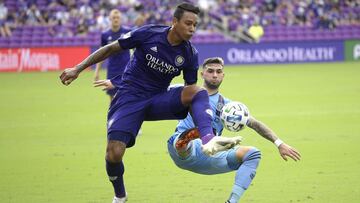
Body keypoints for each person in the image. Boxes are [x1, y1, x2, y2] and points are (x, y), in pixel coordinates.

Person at [59, 3, 240, 203]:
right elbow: (111, 48)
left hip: (158, 99)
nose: (192, 29)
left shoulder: (189, 54)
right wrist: (77, 68)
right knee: (114, 153)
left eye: (195, 25)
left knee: (198, 92)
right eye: (188, 23)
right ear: (174, 22)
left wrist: (199, 127)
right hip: (129, 97)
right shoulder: (148, 34)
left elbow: (191, 90)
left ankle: (209, 140)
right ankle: (120, 195)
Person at [166, 57, 301, 203]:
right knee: (188, 140)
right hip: (184, 149)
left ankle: (232, 201)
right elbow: (153, 96)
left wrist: (279, 143)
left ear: (223, 75)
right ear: (202, 74)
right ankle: (188, 140)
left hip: (209, 156)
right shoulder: (185, 92)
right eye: (210, 71)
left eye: (218, 71)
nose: (215, 75)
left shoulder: (228, 106)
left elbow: (254, 123)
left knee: (252, 154)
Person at [93, 9, 131, 100]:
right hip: (112, 70)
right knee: (113, 99)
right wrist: (97, 71)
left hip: (126, 70)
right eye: (114, 17)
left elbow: (136, 50)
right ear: (110, 18)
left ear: (120, 19)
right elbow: (102, 54)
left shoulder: (127, 31)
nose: (116, 19)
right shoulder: (105, 35)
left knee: (127, 97)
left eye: (117, 17)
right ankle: (114, 114)